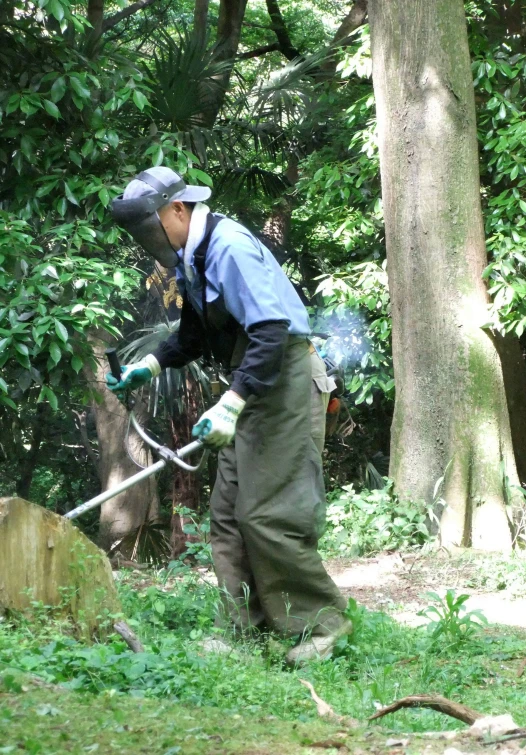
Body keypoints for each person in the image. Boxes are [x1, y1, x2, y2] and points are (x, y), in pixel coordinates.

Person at [107, 166, 351, 663]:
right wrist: (148, 366)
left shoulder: (229, 247)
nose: (147, 241)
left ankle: (322, 627)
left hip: (280, 378)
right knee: (227, 515)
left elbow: (270, 331)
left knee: (268, 512)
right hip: (251, 382)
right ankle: (244, 629)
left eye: (148, 228)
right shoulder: (192, 257)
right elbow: (193, 336)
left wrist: (232, 405)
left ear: (178, 209)